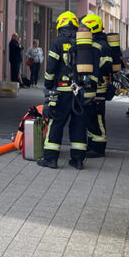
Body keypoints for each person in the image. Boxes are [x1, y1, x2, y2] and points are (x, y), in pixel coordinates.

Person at [40, 11, 91, 170]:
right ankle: (77, 160)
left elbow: (51, 67)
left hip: (62, 91)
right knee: (78, 125)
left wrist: (48, 85)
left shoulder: (57, 42)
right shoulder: (82, 42)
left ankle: (50, 159)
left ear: (61, 25)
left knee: (56, 122)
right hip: (80, 91)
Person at [81, 14, 114, 157]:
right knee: (91, 117)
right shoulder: (99, 43)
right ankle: (93, 144)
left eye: (84, 27)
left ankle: (99, 147)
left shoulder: (99, 45)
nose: (81, 29)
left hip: (98, 88)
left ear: (92, 28)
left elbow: (102, 67)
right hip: (96, 87)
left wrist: (91, 82)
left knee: (97, 117)